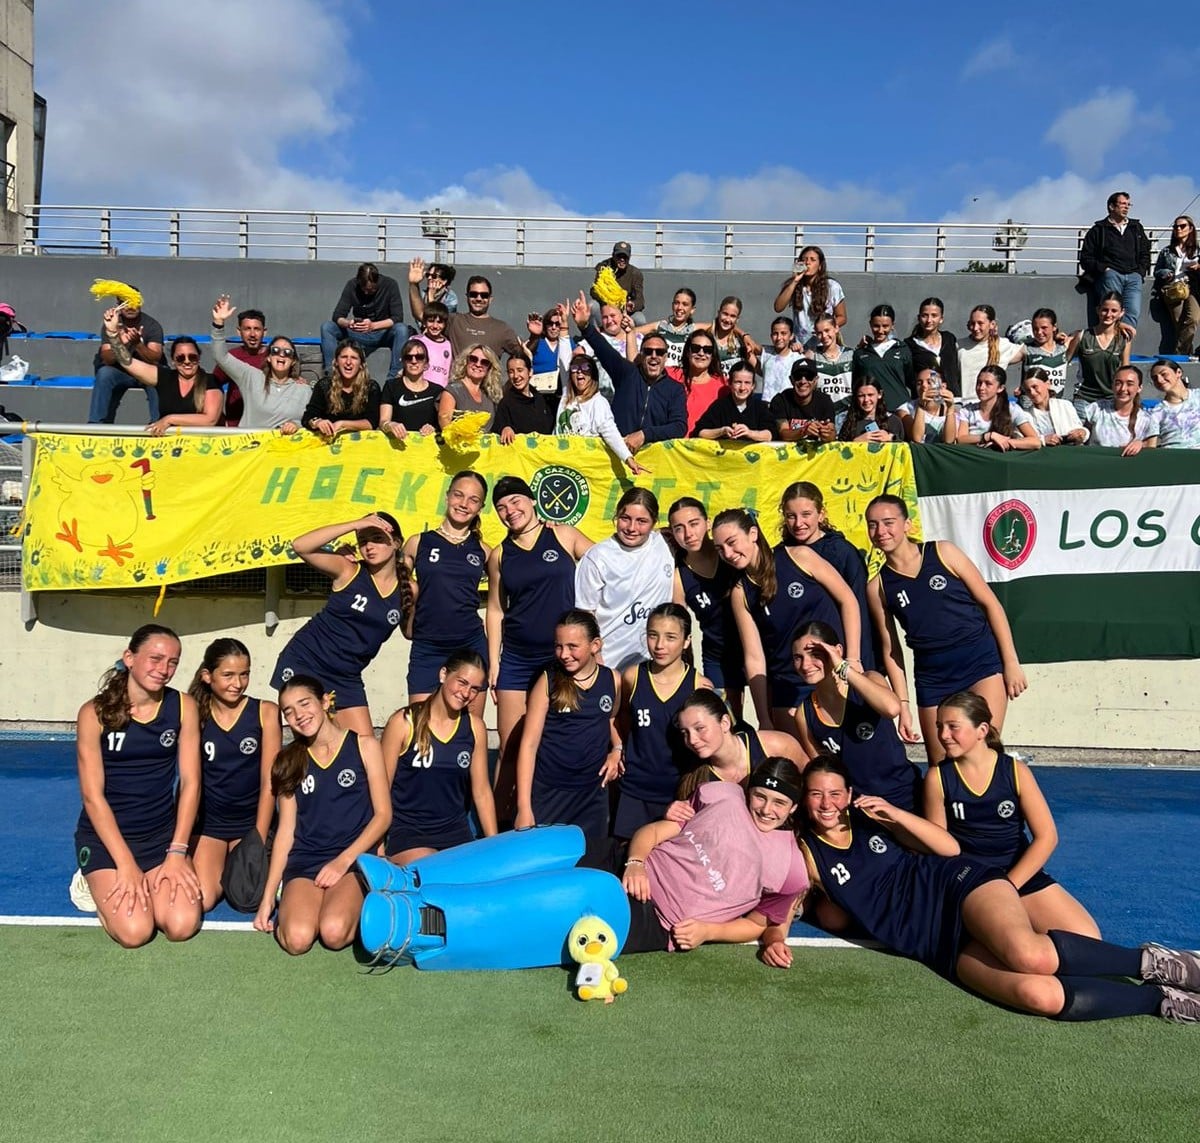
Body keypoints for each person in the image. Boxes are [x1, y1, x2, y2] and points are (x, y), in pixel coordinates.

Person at [781, 756, 1200, 1025]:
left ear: (849, 794)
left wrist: (894, 815)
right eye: (816, 793)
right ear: (804, 800)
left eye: (835, 792)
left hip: (956, 887)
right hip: (934, 943)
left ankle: (1153, 961)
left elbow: (948, 848)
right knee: (1037, 994)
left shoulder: (874, 819)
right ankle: (1158, 1000)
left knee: (1028, 955)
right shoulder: (807, 853)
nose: (826, 802)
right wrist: (772, 933)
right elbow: (787, 900)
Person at [865, 494, 1026, 762]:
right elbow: (891, 650)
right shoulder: (878, 587)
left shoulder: (943, 552)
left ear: (907, 524)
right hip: (933, 678)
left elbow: (991, 605)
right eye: (873, 524)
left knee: (983, 753)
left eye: (888, 522)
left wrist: (1011, 663)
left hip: (980, 665)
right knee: (942, 768)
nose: (881, 531)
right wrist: (904, 706)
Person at [924, 691, 1099, 937]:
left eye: (953, 727)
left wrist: (1010, 886)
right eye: (939, 726)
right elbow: (939, 847)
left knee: (1087, 939)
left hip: (1017, 875)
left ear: (982, 730)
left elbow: (1047, 837)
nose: (943, 735)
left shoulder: (1016, 772)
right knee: (1014, 946)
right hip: (973, 879)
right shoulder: (938, 778)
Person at [73, 624, 203, 947]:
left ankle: (147, 876)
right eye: (156, 658)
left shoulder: (184, 706)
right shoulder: (94, 713)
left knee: (182, 925)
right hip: (108, 841)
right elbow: (93, 797)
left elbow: (190, 783)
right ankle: (89, 880)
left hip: (161, 839)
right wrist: (126, 865)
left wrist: (177, 852)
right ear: (129, 658)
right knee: (135, 932)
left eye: (173, 662)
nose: (165, 669)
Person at [613, 758, 809, 954]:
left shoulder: (791, 869)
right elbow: (655, 832)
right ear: (750, 791)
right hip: (626, 865)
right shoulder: (722, 795)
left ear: (793, 807)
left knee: (589, 928)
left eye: (779, 803)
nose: (766, 810)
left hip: (657, 919)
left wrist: (708, 931)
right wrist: (636, 862)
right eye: (760, 796)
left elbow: (757, 925)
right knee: (581, 847)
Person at [254, 676, 390, 954]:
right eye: (289, 711)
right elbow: (286, 831)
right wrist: (268, 897)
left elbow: (383, 816)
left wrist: (343, 862)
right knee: (297, 940)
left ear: (325, 701)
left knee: (334, 932)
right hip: (306, 860)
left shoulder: (364, 746)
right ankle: (290, 898)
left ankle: (364, 894)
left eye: (304, 704)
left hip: (352, 860)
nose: (299, 715)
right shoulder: (288, 761)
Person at [485, 475, 593, 799]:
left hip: (562, 659)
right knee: (511, 747)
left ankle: (551, 812)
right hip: (517, 660)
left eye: (516, 501)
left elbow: (606, 565)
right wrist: (494, 663)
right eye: (501, 507)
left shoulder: (563, 534)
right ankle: (499, 827)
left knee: (559, 742)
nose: (510, 510)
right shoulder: (499, 555)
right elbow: (495, 610)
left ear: (532, 501)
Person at [713, 507, 861, 734]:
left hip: (834, 676)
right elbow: (754, 657)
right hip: (789, 688)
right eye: (720, 549)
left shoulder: (799, 557)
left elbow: (848, 601)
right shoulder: (740, 592)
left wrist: (852, 659)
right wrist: (764, 718)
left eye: (732, 542)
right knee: (800, 764)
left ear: (753, 534)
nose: (728, 552)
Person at [270, 512, 409, 737]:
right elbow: (301, 545)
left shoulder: (408, 589)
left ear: (395, 543)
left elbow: (411, 632)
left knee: (364, 747)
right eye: (363, 541)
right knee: (311, 742)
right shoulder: (349, 570)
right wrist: (356, 523)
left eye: (377, 538)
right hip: (307, 661)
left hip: (346, 676)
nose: (369, 546)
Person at [514, 609, 622, 841]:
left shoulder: (612, 680)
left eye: (573, 646)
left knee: (590, 864)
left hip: (592, 796)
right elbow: (529, 745)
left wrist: (617, 750)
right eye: (559, 646)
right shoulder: (547, 681)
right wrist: (524, 807)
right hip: (550, 793)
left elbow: (612, 721)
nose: (564, 654)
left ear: (595, 645)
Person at [380, 649, 496, 864]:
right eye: (461, 682)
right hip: (409, 833)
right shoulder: (404, 722)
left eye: (474, 689)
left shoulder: (475, 727)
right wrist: (377, 847)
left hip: (455, 832)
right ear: (443, 675)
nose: (466, 693)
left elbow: (481, 792)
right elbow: (380, 789)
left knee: (475, 877)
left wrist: (494, 844)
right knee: (436, 868)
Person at [189, 638, 279, 912]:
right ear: (207, 676)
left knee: (247, 899)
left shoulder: (265, 712)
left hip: (251, 824)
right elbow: (188, 782)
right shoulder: (194, 714)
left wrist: (258, 840)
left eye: (244, 674)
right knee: (201, 900)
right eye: (227, 675)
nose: (237, 683)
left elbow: (269, 783)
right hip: (211, 826)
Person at [792, 622, 921, 811]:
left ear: (837, 651)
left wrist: (843, 667)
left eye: (815, 654)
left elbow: (892, 708)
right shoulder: (804, 714)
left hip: (903, 795)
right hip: (860, 808)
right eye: (797, 657)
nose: (805, 665)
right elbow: (825, 771)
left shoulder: (868, 680)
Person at [616, 604, 713, 838]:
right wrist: (618, 748)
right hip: (634, 791)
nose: (659, 645)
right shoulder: (632, 677)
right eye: (652, 635)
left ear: (687, 641)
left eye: (670, 637)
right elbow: (621, 718)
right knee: (624, 862)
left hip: (678, 795)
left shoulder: (699, 686)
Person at [403, 472, 491, 710]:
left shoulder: (485, 551)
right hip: (427, 647)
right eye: (458, 495)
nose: (464, 504)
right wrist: (408, 622)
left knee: (469, 729)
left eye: (473, 500)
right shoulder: (417, 542)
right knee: (419, 725)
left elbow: (513, 590)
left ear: (480, 508)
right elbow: (394, 588)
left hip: (471, 646)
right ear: (447, 497)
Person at [777, 480, 877, 673]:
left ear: (821, 514)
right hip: (803, 664)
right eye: (791, 516)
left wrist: (855, 660)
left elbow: (860, 609)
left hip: (841, 656)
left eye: (806, 514)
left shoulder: (842, 553)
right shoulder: (782, 555)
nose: (799, 523)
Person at [575, 487, 676, 673]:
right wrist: (597, 661)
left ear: (654, 523)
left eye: (642, 521)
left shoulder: (666, 543)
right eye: (625, 518)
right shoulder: (597, 557)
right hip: (611, 664)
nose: (631, 528)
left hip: (656, 665)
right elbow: (584, 615)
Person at [572, 292, 688, 451]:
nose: (654, 356)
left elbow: (679, 427)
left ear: (666, 357)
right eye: (648, 351)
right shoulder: (626, 374)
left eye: (659, 352)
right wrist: (585, 326)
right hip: (616, 455)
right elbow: (603, 349)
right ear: (641, 354)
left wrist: (644, 435)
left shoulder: (675, 389)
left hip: (655, 460)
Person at [668, 497, 745, 714]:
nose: (688, 534)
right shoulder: (679, 577)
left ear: (708, 523)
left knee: (770, 721)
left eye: (694, 524)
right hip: (718, 658)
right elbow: (680, 629)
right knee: (728, 720)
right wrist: (688, 672)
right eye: (679, 528)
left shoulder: (732, 554)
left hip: (757, 649)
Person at [100, 310, 223, 436]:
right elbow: (127, 362)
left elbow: (210, 420)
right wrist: (112, 334)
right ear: (174, 361)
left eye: (192, 357)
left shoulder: (210, 380)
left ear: (199, 358)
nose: (187, 362)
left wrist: (169, 419)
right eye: (181, 358)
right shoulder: (165, 377)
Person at [673, 689, 805, 795]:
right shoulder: (694, 780)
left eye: (700, 728)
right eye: (685, 732)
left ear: (725, 723)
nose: (692, 740)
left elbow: (815, 782)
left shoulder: (776, 745)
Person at [210, 297, 311, 431]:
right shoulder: (251, 376)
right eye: (275, 350)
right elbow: (220, 356)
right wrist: (219, 323)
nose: (281, 355)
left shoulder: (303, 389)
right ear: (268, 357)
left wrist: (297, 425)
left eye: (287, 352)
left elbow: (310, 419)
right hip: (248, 443)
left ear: (293, 361)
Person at [408, 260, 527, 361]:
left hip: (487, 387)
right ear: (467, 297)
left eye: (484, 295)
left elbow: (523, 353)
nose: (478, 298)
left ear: (490, 299)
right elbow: (422, 315)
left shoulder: (502, 328)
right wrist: (414, 285)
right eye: (474, 294)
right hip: (456, 387)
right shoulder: (454, 321)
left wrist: (535, 337)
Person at [556, 355, 648, 474]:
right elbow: (564, 354)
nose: (579, 371)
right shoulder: (565, 398)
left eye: (585, 367)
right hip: (561, 462)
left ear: (593, 374)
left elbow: (610, 432)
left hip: (584, 467)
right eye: (574, 368)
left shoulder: (598, 402)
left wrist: (628, 458)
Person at [320, 262, 410, 381]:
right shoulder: (351, 285)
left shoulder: (390, 284)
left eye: (371, 290)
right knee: (327, 327)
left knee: (402, 329)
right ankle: (332, 375)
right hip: (358, 333)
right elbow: (337, 316)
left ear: (377, 282)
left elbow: (397, 317)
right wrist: (349, 323)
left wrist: (373, 326)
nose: (367, 293)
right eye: (364, 290)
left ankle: (394, 378)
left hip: (382, 333)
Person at [1079, 191, 1151, 330]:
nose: (1127, 207)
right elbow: (1086, 258)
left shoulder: (1136, 228)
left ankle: (1124, 348)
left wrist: (1140, 272)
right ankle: (1110, 347)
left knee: (1132, 313)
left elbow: (1145, 252)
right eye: (1123, 204)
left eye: (1128, 204)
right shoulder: (1098, 230)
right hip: (1111, 276)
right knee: (1110, 313)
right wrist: (1105, 270)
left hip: (1133, 276)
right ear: (1112, 207)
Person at [89, 295, 164, 424]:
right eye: (125, 303)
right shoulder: (111, 323)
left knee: (159, 374)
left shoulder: (152, 325)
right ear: (118, 305)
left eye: (134, 302)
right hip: (120, 372)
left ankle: (158, 423)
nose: (130, 307)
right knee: (104, 373)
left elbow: (155, 358)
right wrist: (121, 343)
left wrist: (138, 344)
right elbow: (107, 359)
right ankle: (95, 424)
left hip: (145, 371)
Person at [1065, 292, 1132, 419]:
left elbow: (1126, 370)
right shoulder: (1082, 336)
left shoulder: (1124, 339)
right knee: (1081, 436)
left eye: (1114, 311)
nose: (1109, 314)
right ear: (1098, 310)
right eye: (1105, 310)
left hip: (1112, 399)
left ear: (1121, 313)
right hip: (1084, 398)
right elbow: (1063, 362)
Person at [301, 341, 382, 436]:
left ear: (361, 364)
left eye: (354, 358)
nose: (348, 362)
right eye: (344, 357)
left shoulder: (371, 387)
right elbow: (308, 416)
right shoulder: (324, 385)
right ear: (336, 362)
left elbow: (372, 422)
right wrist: (317, 422)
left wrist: (342, 424)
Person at [773, 245, 847, 346]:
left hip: (823, 344)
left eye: (813, 260)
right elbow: (778, 307)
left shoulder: (832, 286)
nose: (808, 263)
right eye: (804, 260)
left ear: (820, 265)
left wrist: (823, 329)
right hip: (799, 346)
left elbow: (842, 317)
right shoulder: (794, 285)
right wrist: (795, 281)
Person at [953, 366, 1040, 450]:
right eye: (979, 383)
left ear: (1000, 388)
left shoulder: (1012, 410)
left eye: (988, 384)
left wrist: (1006, 442)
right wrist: (988, 436)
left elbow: (1035, 441)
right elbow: (961, 439)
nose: (981, 388)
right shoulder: (968, 411)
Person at [1082, 364, 1159, 455]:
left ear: (1139, 388)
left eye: (1130, 384)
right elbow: (1082, 438)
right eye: (1118, 383)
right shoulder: (1096, 409)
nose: (1123, 389)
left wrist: (1141, 444)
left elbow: (1152, 449)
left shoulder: (1148, 420)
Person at [211, 305, 267, 427]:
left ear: (264, 331)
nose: (252, 334)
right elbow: (213, 386)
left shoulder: (274, 359)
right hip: (234, 426)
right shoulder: (231, 357)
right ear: (239, 331)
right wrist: (217, 416)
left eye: (257, 329)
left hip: (265, 426)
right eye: (247, 329)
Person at [852, 304, 914, 412]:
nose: (880, 331)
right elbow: (856, 384)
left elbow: (912, 381)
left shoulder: (902, 349)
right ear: (870, 324)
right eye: (876, 326)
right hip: (871, 412)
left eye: (885, 326)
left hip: (900, 410)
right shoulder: (860, 353)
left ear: (892, 325)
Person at [693, 358, 773, 441]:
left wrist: (749, 433)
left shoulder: (760, 407)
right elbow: (700, 432)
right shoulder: (720, 406)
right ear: (730, 383)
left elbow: (770, 434)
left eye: (747, 383)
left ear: (753, 386)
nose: (742, 388)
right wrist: (722, 431)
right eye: (738, 382)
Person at [1152, 216, 1200, 356]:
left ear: (1190, 228)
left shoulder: (1197, 250)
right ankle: (1186, 355)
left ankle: (1180, 354)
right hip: (1173, 289)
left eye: (1182, 226)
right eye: (1175, 227)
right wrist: (1166, 273)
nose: (1178, 229)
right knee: (1179, 324)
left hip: (1193, 288)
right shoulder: (1167, 251)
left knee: (1192, 319)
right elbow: (1157, 271)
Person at [666, 329, 729, 435]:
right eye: (696, 348)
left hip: (703, 447)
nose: (701, 353)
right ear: (687, 352)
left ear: (712, 355)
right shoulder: (671, 374)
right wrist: (630, 333)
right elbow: (641, 365)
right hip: (672, 446)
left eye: (707, 350)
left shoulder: (724, 385)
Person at [380, 338, 440, 440]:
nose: (414, 361)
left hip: (427, 449)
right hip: (397, 447)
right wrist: (391, 425)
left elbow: (444, 424)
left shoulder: (437, 391)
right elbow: (383, 422)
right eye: (409, 357)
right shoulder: (391, 386)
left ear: (426, 363)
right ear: (403, 361)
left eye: (419, 357)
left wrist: (434, 428)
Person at [437, 344, 502, 432]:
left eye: (484, 362)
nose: (478, 364)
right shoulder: (453, 390)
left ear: (489, 368)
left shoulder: (490, 395)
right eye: (473, 359)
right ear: (466, 361)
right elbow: (444, 418)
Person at [905, 297, 961, 397]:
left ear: (941, 319)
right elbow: (908, 376)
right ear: (919, 318)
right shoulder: (909, 344)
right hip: (926, 401)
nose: (929, 320)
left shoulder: (949, 338)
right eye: (925, 315)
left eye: (934, 315)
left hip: (952, 399)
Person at [491, 353, 556, 441]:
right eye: (511, 372)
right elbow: (498, 426)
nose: (516, 376)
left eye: (520, 370)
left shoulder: (540, 399)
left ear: (530, 372)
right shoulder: (506, 403)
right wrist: (504, 428)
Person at [1019, 367, 1088, 446]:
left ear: (1048, 384)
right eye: (1028, 390)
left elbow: (1080, 429)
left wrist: (1082, 433)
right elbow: (1020, 439)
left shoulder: (1065, 405)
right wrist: (1043, 440)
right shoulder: (1024, 414)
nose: (1032, 393)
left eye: (1035, 387)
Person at [772, 359, 837, 443]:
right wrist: (804, 430)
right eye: (798, 376)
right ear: (791, 380)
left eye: (809, 376)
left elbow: (832, 434)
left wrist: (826, 433)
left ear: (815, 380)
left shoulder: (825, 401)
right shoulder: (780, 400)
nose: (803, 381)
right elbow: (783, 433)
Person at [957, 304, 1022, 384]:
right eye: (973, 323)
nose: (975, 328)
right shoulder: (958, 346)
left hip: (992, 397)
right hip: (964, 396)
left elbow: (1031, 351)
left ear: (992, 324)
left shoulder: (1002, 346)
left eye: (980, 323)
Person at [635, 287, 698, 369]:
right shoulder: (660, 326)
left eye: (685, 304)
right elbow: (632, 332)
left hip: (681, 376)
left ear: (692, 310)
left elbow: (716, 325)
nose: (679, 307)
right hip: (661, 375)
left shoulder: (694, 329)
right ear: (672, 305)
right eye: (676, 303)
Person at [805, 314, 855, 412]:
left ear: (836, 328)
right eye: (819, 333)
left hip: (847, 412)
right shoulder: (812, 356)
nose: (824, 336)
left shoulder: (851, 354)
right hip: (822, 412)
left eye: (827, 330)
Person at [1017, 308, 1069, 398]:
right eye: (1035, 329)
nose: (1039, 332)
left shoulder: (1063, 348)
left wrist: (1056, 337)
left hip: (1055, 406)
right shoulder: (1026, 349)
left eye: (1044, 328)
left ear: (1054, 327)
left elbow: (1080, 335)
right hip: (1029, 407)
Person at [898, 366, 958, 444]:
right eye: (919, 383)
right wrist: (921, 406)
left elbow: (949, 440)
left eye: (929, 382)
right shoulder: (905, 409)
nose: (924, 386)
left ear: (943, 386)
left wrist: (950, 409)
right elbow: (917, 438)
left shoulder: (953, 409)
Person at [703, 296, 759, 377]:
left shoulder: (740, 342)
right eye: (725, 314)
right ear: (719, 313)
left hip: (733, 388)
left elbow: (759, 368)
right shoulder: (707, 338)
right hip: (712, 387)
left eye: (732, 316)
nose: (727, 319)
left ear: (737, 319)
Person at [1150, 358, 1200, 449]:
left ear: (1178, 372)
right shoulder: (1157, 411)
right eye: (1155, 378)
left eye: (1164, 374)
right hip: (1173, 457)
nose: (1160, 380)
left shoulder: (1197, 396)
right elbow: (1151, 446)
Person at [525, 303, 575, 395]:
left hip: (562, 393)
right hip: (538, 393)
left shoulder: (568, 343)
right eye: (550, 324)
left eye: (557, 324)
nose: (554, 327)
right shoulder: (537, 342)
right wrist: (534, 336)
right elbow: (525, 355)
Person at [590, 240, 646, 320]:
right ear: (613, 255)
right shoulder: (603, 268)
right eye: (619, 256)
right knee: (593, 306)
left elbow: (640, 300)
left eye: (625, 257)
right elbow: (593, 291)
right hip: (606, 308)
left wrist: (632, 305)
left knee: (640, 319)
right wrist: (608, 299)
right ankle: (597, 332)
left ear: (629, 257)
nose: (622, 259)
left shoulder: (635, 273)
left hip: (625, 311)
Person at [837, 377, 904, 443]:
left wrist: (891, 438)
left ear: (879, 394)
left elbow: (904, 448)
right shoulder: (849, 422)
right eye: (861, 396)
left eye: (870, 395)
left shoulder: (893, 421)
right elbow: (839, 449)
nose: (866, 400)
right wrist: (855, 442)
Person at [759, 316, 803, 404]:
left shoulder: (798, 358)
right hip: (767, 405)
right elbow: (749, 346)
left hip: (788, 405)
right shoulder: (766, 353)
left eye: (783, 333)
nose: (779, 337)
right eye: (775, 333)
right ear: (771, 336)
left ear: (791, 336)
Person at [414, 301, 454, 388]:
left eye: (439, 322)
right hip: (420, 390)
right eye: (431, 321)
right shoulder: (416, 341)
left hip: (440, 393)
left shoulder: (449, 345)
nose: (435, 326)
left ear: (445, 324)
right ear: (424, 322)